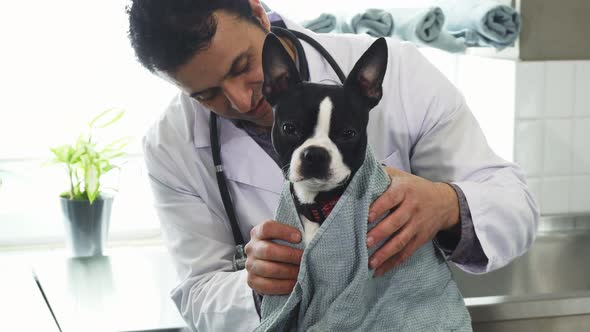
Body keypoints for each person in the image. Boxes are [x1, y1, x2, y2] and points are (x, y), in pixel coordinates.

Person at [127, 1, 539, 331]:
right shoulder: (171, 145)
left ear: (258, 14)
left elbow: (513, 205)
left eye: (242, 67)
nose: (240, 100)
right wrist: (255, 288)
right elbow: (199, 293)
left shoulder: (400, 72)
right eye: (206, 94)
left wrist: (447, 204)